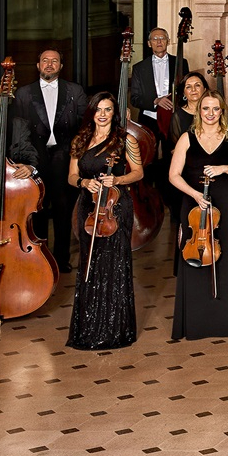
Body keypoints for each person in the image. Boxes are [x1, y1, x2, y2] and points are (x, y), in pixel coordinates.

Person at [167, 92, 228, 340]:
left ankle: (224, 320)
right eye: (206, 108)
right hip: (194, 203)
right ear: (199, 111)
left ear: (222, 111)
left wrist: (224, 168)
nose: (210, 113)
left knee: (222, 253)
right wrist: (194, 194)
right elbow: (173, 175)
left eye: (216, 109)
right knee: (192, 255)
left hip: (223, 202)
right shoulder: (187, 138)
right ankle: (195, 320)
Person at [63, 90, 144, 351]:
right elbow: (71, 176)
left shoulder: (125, 139)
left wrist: (117, 180)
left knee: (114, 264)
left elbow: (139, 172)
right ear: (92, 112)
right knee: (90, 263)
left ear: (114, 113)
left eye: (108, 109)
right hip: (89, 207)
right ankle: (87, 327)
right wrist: (83, 182)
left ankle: (115, 329)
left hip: (115, 206)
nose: (102, 114)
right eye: (98, 109)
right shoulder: (81, 139)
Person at [17, 47, 87, 270]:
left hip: (64, 157)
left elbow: (84, 126)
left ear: (61, 66)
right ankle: (39, 258)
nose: (49, 64)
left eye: (54, 61)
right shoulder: (24, 94)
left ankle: (61, 259)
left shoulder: (75, 91)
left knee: (62, 209)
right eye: (45, 61)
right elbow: (18, 131)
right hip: (35, 158)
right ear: (38, 66)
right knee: (36, 208)